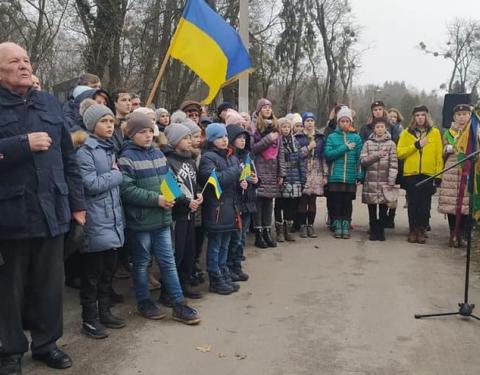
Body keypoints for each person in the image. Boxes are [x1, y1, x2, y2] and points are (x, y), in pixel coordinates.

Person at [0, 42, 85, 373]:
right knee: (9, 290)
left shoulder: (48, 102)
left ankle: (46, 344)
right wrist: (22, 144)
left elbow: (69, 158)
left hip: (53, 212)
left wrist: (78, 207)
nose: (24, 65)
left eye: (26, 60)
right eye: (14, 61)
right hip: (10, 217)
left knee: (49, 286)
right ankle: (8, 350)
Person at [118, 113, 200, 324]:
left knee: (168, 261)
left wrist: (176, 197)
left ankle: (178, 304)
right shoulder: (126, 157)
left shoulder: (158, 153)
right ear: (132, 134)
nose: (147, 136)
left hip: (162, 219)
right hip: (141, 221)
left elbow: (169, 180)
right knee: (142, 262)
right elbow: (127, 189)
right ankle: (144, 301)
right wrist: (157, 200)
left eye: (149, 131)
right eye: (142, 132)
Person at [76, 102, 126, 339]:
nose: (109, 125)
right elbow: (91, 185)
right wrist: (116, 175)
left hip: (113, 219)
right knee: (92, 275)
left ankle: (104, 311)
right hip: (96, 220)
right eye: (103, 121)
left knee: (108, 270)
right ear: (91, 124)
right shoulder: (85, 151)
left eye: (110, 121)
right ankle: (90, 318)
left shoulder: (109, 148)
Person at [198, 123, 242, 295]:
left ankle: (223, 273)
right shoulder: (208, 157)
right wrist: (235, 170)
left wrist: (242, 179)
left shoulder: (230, 156)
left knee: (225, 244)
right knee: (215, 245)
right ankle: (215, 278)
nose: (224, 140)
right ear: (211, 139)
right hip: (216, 208)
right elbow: (215, 179)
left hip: (229, 206)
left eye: (225, 136)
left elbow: (232, 179)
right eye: (219, 137)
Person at [163, 123, 204, 299]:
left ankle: (184, 283)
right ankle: (168, 291)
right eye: (185, 138)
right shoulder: (167, 160)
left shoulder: (190, 159)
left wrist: (199, 194)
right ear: (175, 140)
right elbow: (168, 187)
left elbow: (194, 183)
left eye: (190, 137)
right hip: (177, 214)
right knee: (176, 253)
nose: (190, 141)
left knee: (189, 252)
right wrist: (187, 202)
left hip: (190, 213)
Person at [397, 105, 443, 244]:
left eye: (422, 115)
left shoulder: (434, 132)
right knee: (413, 203)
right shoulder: (406, 133)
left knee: (425, 204)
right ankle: (413, 229)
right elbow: (400, 153)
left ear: (427, 116)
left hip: (427, 173)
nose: (420, 118)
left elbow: (438, 155)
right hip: (411, 173)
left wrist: (438, 175)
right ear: (414, 118)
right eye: (417, 115)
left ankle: (422, 229)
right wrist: (415, 146)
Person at [251, 98, 286, 248]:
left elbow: (281, 153)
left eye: (269, 107)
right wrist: (268, 139)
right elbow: (253, 148)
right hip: (259, 169)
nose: (267, 109)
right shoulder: (254, 128)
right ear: (259, 110)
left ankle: (267, 231)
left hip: (272, 170)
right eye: (264, 107)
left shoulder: (276, 129)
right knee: (259, 202)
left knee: (268, 203)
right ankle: (258, 234)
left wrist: (281, 173)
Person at [324, 106, 362, 239]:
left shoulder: (356, 138)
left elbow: (359, 158)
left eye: (347, 121)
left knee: (347, 202)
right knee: (337, 201)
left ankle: (346, 224)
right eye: (342, 121)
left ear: (350, 122)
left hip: (350, 176)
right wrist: (344, 147)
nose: (344, 123)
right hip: (336, 176)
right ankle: (337, 224)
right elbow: (328, 154)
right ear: (338, 122)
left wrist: (360, 175)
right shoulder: (332, 137)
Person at [438, 104, 471, 247]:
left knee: (465, 203)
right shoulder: (448, 133)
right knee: (451, 203)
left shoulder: (474, 131)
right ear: (454, 117)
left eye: (464, 114)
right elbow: (443, 149)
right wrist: (450, 147)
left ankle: (463, 233)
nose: (462, 117)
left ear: (469, 116)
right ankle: (453, 233)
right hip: (451, 169)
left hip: (468, 167)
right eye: (459, 115)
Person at [360, 117, 398, 241]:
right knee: (372, 208)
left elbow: (393, 164)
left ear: (386, 128)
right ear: (374, 129)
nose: (380, 129)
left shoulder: (391, 144)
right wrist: (377, 155)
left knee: (383, 208)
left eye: (382, 127)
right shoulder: (367, 143)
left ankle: (381, 231)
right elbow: (363, 161)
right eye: (377, 127)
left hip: (385, 181)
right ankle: (373, 230)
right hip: (370, 181)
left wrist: (391, 180)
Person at [226, 124, 256, 280]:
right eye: (239, 138)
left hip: (247, 200)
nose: (243, 141)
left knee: (241, 238)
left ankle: (237, 265)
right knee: (234, 238)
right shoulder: (230, 157)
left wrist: (255, 180)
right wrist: (239, 183)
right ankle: (230, 266)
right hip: (235, 202)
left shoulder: (247, 156)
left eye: (245, 138)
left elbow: (252, 174)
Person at [295, 112, 328, 238]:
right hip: (303, 170)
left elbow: (324, 156)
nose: (309, 123)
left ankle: (311, 225)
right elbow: (297, 155)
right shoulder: (298, 137)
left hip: (316, 170)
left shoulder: (320, 137)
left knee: (313, 199)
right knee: (303, 199)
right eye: (307, 120)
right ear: (303, 123)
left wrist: (325, 174)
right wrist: (308, 147)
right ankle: (302, 226)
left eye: (311, 120)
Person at [274, 117, 304, 241]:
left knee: (291, 205)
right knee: (280, 204)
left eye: (288, 127)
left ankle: (288, 230)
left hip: (295, 176)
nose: (286, 129)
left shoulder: (295, 142)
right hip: (282, 177)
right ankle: (279, 231)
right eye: (283, 127)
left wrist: (303, 177)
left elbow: (301, 160)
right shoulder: (277, 142)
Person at [385, 107, 405, 228]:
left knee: (393, 192)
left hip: (396, 163)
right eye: (390, 116)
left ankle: (391, 216)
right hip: (384, 163)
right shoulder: (384, 128)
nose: (392, 119)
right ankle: (384, 216)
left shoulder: (401, 131)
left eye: (394, 117)